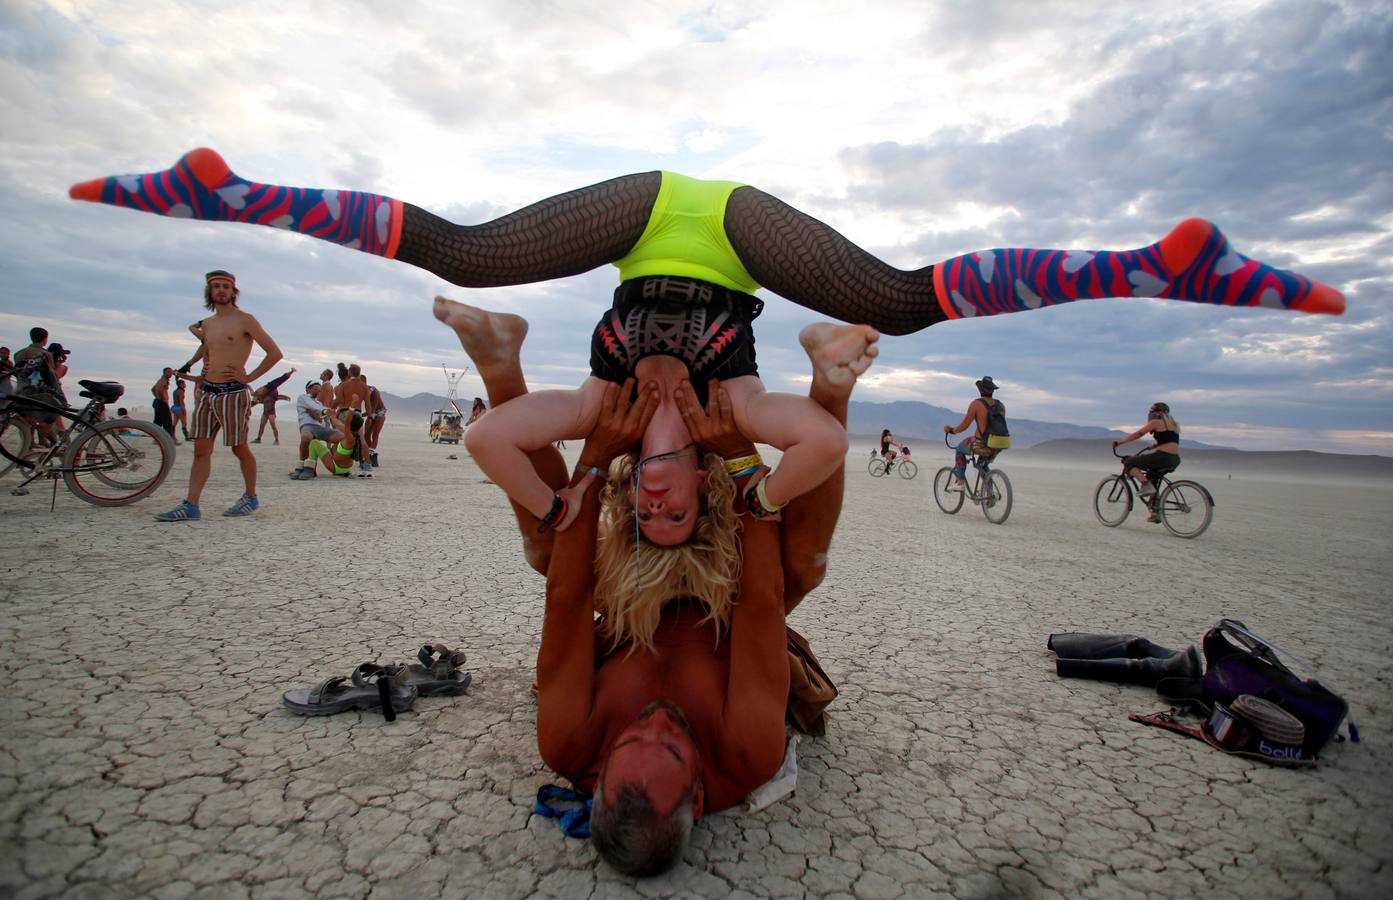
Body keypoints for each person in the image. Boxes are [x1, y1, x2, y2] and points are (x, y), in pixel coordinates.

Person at [71, 149, 1345, 340]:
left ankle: (234, 194)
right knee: (896, 304)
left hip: (648, 216)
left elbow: (527, 437)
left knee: (462, 258)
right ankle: (1154, 266)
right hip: (725, 225)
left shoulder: (611, 417)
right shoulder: (732, 431)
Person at [453, 302, 867, 875]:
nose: (654, 719)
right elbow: (761, 607)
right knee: (805, 570)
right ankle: (833, 384)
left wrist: (596, 458)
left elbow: (569, 599)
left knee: (547, 555)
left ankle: (500, 363)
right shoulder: (748, 752)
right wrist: (740, 461)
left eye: (630, 738)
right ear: (697, 798)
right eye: (672, 744)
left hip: (628, 606)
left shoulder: (568, 741)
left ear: (598, 780)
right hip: (726, 607)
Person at [442, 295, 867, 537]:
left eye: (644, 515)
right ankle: (828, 364)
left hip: (626, 338)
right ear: (702, 486)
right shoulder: (733, 412)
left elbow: (484, 439)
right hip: (717, 353)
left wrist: (557, 507)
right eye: (676, 514)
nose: (656, 506)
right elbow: (827, 442)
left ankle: (498, 347)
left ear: (631, 496)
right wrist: (763, 497)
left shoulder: (599, 410)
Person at [154, 270, 283, 521]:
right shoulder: (209, 325)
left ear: (234, 292)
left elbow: (274, 353)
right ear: (209, 292)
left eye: (226, 287)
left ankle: (250, 496)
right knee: (201, 450)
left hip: (232, 393)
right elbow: (205, 351)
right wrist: (191, 370)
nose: (222, 290)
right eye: (217, 287)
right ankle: (191, 504)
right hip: (208, 393)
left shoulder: (245, 320)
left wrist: (249, 377)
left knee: (239, 446)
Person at [1114, 402, 1182, 523]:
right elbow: (1170, 441)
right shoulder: (1174, 425)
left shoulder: (1155, 422)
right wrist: (1155, 445)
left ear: (1154, 413)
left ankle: (1146, 485)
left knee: (1129, 462)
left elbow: (1138, 434)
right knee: (1153, 478)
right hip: (1174, 459)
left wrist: (1120, 443)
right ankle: (1155, 512)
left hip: (1162, 457)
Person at [943, 376, 1006, 492]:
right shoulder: (1001, 405)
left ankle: (960, 482)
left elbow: (964, 425)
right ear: (992, 390)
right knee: (982, 465)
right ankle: (990, 492)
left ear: (980, 390)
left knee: (960, 449)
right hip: (1000, 443)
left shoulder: (976, 404)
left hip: (982, 443)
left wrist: (951, 430)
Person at [292, 381, 342, 480]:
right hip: (307, 425)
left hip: (319, 427)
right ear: (308, 389)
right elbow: (313, 406)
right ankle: (303, 466)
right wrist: (323, 411)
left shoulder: (318, 403)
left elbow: (320, 414)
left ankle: (339, 464)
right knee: (306, 437)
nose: (317, 392)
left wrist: (322, 414)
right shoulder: (303, 397)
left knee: (341, 437)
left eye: (319, 391)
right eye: (315, 389)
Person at [304, 408, 366, 478]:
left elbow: (336, 422)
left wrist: (333, 414)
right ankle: (341, 472)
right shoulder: (356, 436)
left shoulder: (349, 437)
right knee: (337, 440)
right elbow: (336, 423)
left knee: (314, 443)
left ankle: (310, 470)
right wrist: (333, 415)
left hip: (336, 468)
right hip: (347, 469)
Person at [251, 367, 297, 445]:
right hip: (265, 412)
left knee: (273, 425)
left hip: (271, 412)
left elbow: (280, 382)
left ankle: (276, 440)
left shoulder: (272, 392)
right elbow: (255, 401)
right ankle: (258, 439)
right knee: (262, 426)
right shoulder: (262, 397)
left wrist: (285, 398)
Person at [363, 374, 386, 468]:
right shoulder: (365, 391)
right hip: (372, 412)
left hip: (380, 412)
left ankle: (371, 453)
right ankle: (370, 453)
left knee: (375, 434)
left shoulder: (372, 390)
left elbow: (374, 405)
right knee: (366, 434)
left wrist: (369, 416)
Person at [151, 367, 176, 441]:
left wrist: (157, 397)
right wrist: (163, 399)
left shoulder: (162, 380)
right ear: (164, 372)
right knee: (167, 422)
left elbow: (153, 389)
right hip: (161, 402)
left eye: (171, 372)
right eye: (168, 372)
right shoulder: (163, 380)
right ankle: (170, 439)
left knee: (158, 422)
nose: (170, 373)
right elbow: (159, 389)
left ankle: (156, 439)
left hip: (158, 402)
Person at [170, 374, 190, 442]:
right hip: (179, 408)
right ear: (180, 384)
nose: (185, 385)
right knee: (184, 423)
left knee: (174, 423)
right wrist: (183, 410)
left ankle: (172, 435)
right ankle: (187, 437)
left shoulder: (175, 391)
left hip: (174, 407)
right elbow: (181, 402)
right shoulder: (180, 391)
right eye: (184, 383)